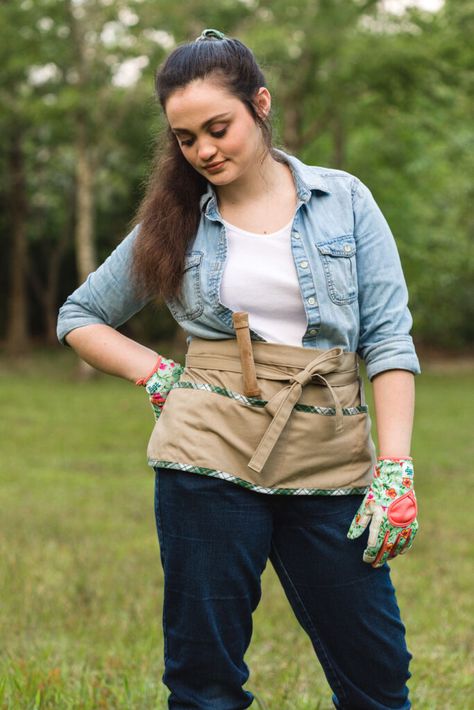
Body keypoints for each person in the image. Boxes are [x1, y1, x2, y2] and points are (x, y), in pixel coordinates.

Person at [57, 28, 421, 710]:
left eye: (217, 128)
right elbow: (80, 317)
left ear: (260, 104)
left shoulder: (343, 200)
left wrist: (394, 466)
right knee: (205, 679)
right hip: (207, 456)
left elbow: (389, 339)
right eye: (186, 138)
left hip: (330, 456)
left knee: (379, 673)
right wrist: (159, 375)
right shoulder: (177, 219)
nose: (203, 150)